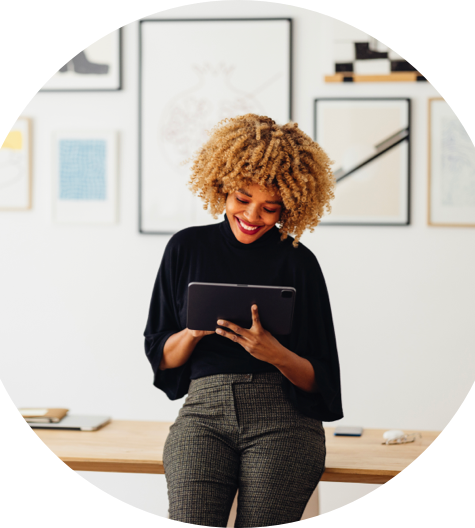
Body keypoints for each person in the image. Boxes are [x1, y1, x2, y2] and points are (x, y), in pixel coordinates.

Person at [144, 114, 343, 527]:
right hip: (203, 415)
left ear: (289, 205)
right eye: (242, 198)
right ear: (221, 187)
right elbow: (162, 357)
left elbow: (320, 379)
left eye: (270, 208)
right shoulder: (186, 248)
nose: (253, 216)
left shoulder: (299, 262)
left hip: (285, 421)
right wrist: (193, 332)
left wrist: (274, 353)